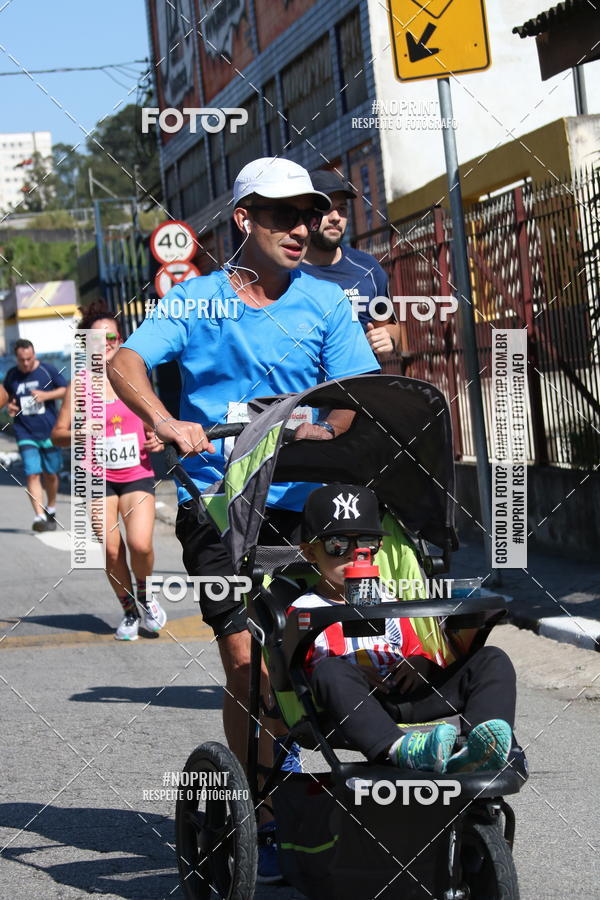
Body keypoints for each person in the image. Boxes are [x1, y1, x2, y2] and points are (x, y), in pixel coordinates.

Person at [106, 157, 379, 879]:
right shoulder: (195, 302)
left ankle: (319, 784)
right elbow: (125, 363)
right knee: (245, 663)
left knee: (320, 653)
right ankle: (261, 807)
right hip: (221, 507)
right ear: (243, 220)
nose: (298, 228)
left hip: (310, 508)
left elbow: (358, 393)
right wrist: (167, 420)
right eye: (281, 215)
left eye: (305, 214)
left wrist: (334, 427)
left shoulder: (325, 303)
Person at [295, 484, 515, 773]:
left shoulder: (393, 602)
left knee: (492, 659)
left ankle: (481, 746)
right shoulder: (304, 608)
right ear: (311, 553)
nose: (353, 555)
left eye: (366, 544)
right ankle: (399, 749)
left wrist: (418, 664)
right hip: (355, 707)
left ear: (379, 548)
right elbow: (302, 665)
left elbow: (417, 650)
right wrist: (351, 670)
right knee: (330, 672)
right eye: (337, 545)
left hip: (408, 696)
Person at [52, 307, 168, 641]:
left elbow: (158, 422)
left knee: (140, 544)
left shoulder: (134, 380)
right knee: (112, 549)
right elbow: (57, 434)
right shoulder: (80, 386)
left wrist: (157, 436)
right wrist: (79, 429)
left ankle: (146, 596)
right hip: (97, 477)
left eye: (112, 337)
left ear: (121, 340)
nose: (105, 344)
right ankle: (130, 612)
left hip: (136, 473)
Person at [300, 169, 400, 359]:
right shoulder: (285, 273)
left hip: (363, 386)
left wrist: (389, 338)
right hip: (311, 388)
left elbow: (390, 325)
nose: (336, 217)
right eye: (326, 208)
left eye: (342, 209)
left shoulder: (368, 268)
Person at [0, 339, 67, 532]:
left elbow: (65, 391)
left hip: (49, 431)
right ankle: (38, 515)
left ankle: (51, 508)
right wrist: (11, 406)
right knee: (32, 473)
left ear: (34, 354)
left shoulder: (48, 370)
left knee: (51, 474)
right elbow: (8, 398)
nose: (26, 363)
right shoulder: (12, 375)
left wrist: (46, 396)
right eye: (22, 360)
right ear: (16, 358)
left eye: (29, 359)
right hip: (24, 431)